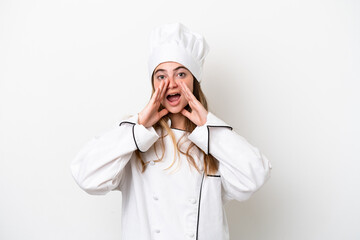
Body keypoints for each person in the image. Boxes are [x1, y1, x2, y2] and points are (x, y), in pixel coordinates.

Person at [71, 22, 272, 240]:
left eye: (181, 74)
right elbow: (86, 176)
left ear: (194, 81)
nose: (171, 84)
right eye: (161, 76)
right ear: (154, 83)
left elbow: (256, 175)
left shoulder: (212, 144)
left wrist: (209, 128)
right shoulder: (134, 140)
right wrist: (138, 126)